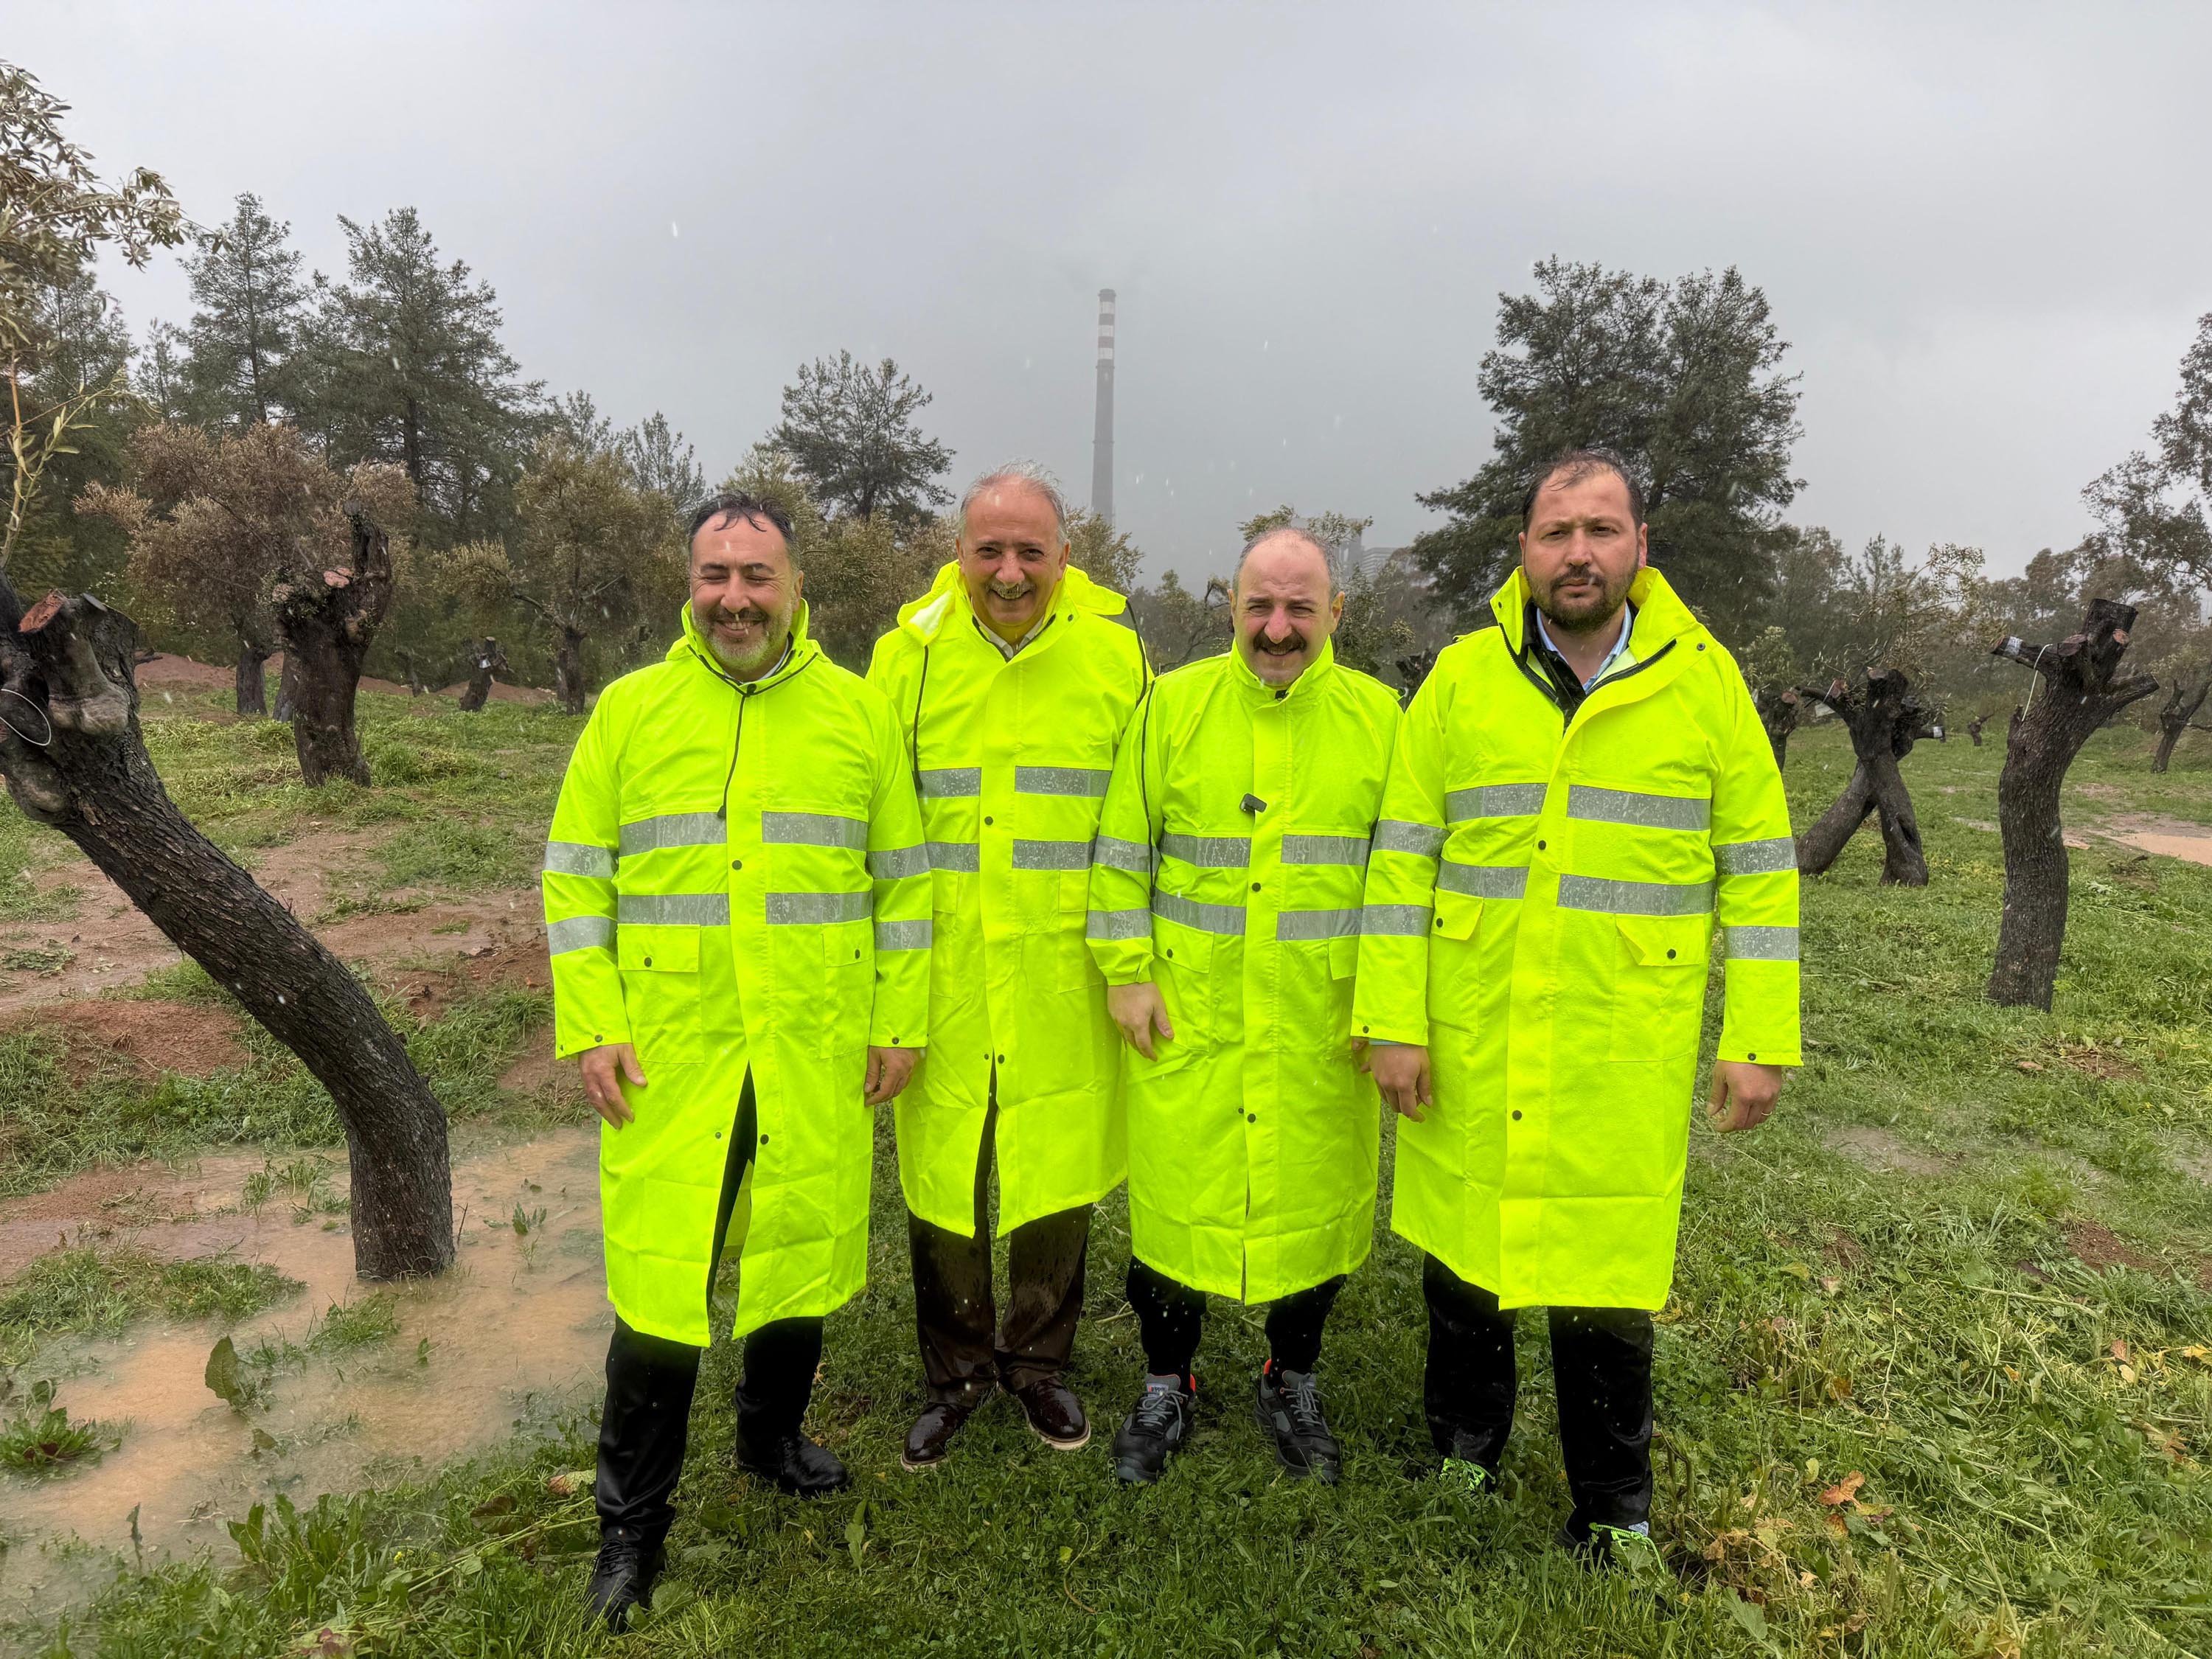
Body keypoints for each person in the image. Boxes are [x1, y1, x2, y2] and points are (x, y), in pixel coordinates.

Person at [1358, 448, 1799, 1567]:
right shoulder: (1459, 679)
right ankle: (1465, 1445)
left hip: (1618, 1041)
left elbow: (1758, 865)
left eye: (1602, 530)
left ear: (1640, 548)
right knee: (1464, 1264)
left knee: (1604, 1284)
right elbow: (1402, 861)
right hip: (1475, 1029)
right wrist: (1393, 1019)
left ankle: (1613, 1505)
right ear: (1525, 551)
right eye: (1557, 532)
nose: (1579, 552)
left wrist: (1756, 1038)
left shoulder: (1704, 682)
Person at [543, 491, 931, 1627]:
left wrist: (898, 1015)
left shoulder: (856, 717)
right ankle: (631, 1529)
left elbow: (902, 881)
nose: (735, 597)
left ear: (795, 586)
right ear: (691, 583)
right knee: (663, 1287)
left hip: (811, 1039)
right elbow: (575, 874)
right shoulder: (630, 711)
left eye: (757, 575)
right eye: (717, 574)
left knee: (799, 1251)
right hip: (677, 1050)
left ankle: (771, 1439)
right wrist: (594, 1019)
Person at [1088, 526, 1399, 1486]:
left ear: (1335, 613)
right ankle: (1165, 1378)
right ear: (1231, 605)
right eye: (1260, 605)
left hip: (1316, 1025)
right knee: (1175, 1219)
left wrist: (1387, 1008)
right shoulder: (1172, 709)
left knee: (1315, 1223)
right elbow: (1121, 851)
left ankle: (1289, 1374)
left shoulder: (1382, 720)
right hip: (1194, 1017)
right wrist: (1127, 968)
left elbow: (1404, 879)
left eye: (1300, 608)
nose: (1277, 626)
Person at [866, 462, 1149, 1469]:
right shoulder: (906, 661)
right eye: (990, 548)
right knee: (945, 1177)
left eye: (1031, 549)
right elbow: (878, 829)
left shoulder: (1116, 662)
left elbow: (1136, 824)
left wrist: (1128, 959)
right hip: (940, 971)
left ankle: (1038, 1361)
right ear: (961, 553)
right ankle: (955, 1372)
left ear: (1066, 557)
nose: (1011, 569)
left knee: (1053, 1170)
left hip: (1061, 970)